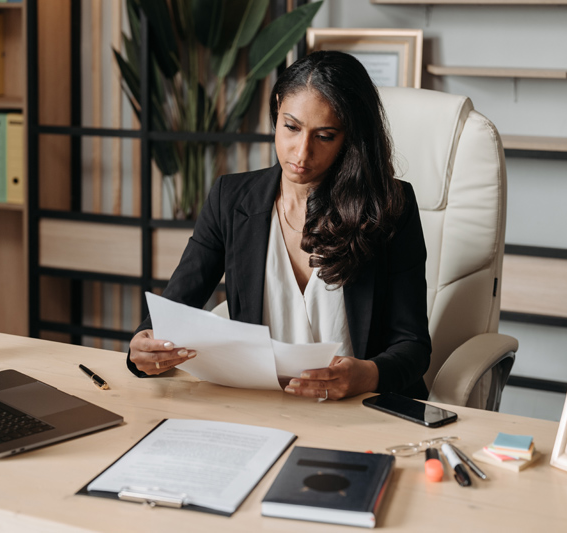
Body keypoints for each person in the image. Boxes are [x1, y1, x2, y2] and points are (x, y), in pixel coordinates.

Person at [127, 50, 431, 400]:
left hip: (361, 408)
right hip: (263, 405)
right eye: (291, 127)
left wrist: (366, 375)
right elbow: (175, 307)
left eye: (325, 136)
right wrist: (144, 345)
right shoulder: (231, 199)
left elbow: (413, 346)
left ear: (351, 137)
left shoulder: (390, 206)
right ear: (276, 109)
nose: (301, 153)